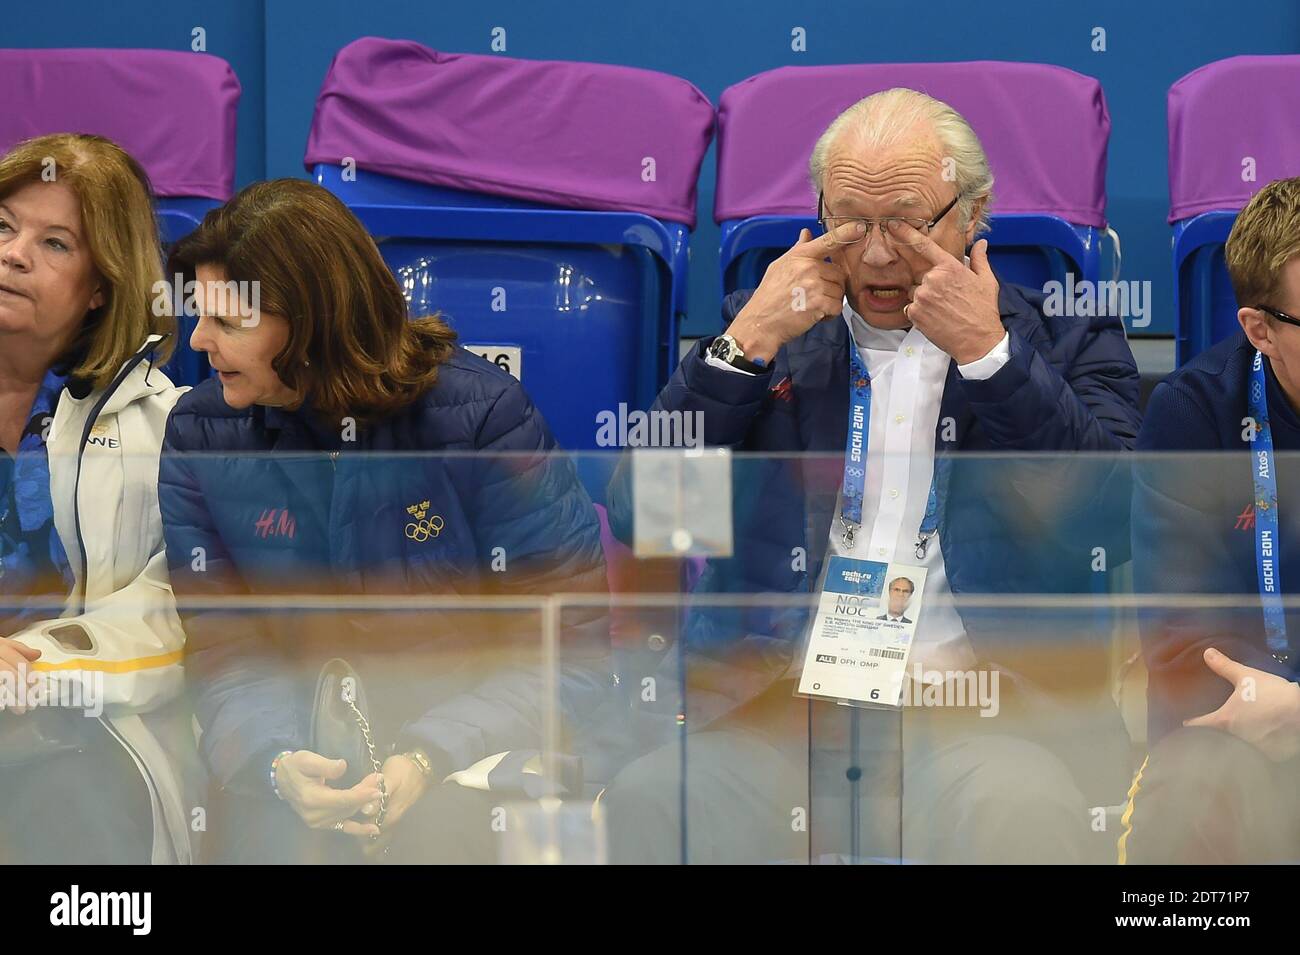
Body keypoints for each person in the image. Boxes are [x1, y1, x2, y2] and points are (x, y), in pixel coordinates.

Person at [603, 88, 1142, 863]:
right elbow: (647, 516)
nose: (880, 254)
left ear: (974, 211)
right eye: (851, 223)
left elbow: (1112, 519)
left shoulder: (1063, 339)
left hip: (982, 716)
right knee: (652, 798)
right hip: (780, 714)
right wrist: (745, 341)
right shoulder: (768, 338)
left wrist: (991, 358)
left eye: (909, 223)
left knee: (1019, 812)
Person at [158, 178, 610, 864]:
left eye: (230, 321)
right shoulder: (200, 433)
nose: (201, 340)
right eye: (201, 314)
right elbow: (224, 651)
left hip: (473, 757)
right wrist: (276, 763)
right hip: (301, 759)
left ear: (313, 320)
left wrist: (426, 755)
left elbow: (568, 648)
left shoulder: (482, 416)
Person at [0, 133, 197, 864]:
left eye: (54, 243)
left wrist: (30, 665)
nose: (14, 254)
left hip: (78, 724)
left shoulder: (167, 428)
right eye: (2, 227)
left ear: (100, 288)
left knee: (71, 810)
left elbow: (169, 613)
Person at [1122, 176, 1300, 864]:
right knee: (1198, 790)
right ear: (1260, 328)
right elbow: (1182, 638)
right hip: (1238, 729)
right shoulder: (1193, 415)